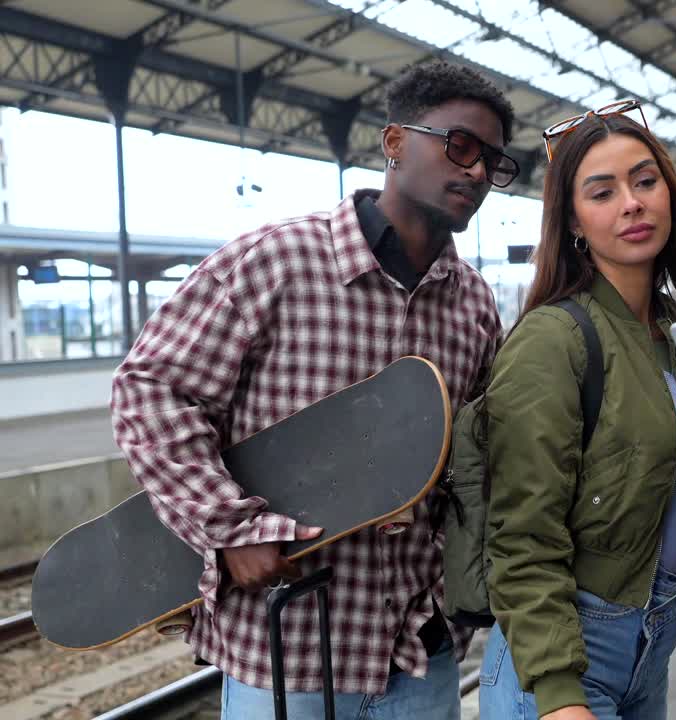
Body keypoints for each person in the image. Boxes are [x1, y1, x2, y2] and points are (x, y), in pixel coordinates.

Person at [110, 61, 516, 719]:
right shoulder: (274, 262)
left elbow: (481, 459)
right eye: (461, 146)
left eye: (493, 162)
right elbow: (151, 389)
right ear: (394, 141)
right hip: (288, 652)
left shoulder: (473, 304)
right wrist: (229, 529)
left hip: (419, 652)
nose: (476, 172)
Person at [478, 100, 676, 720]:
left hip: (652, 642)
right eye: (602, 192)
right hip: (567, 658)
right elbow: (521, 533)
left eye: (645, 182)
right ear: (572, 220)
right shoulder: (552, 341)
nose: (632, 204)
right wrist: (558, 693)